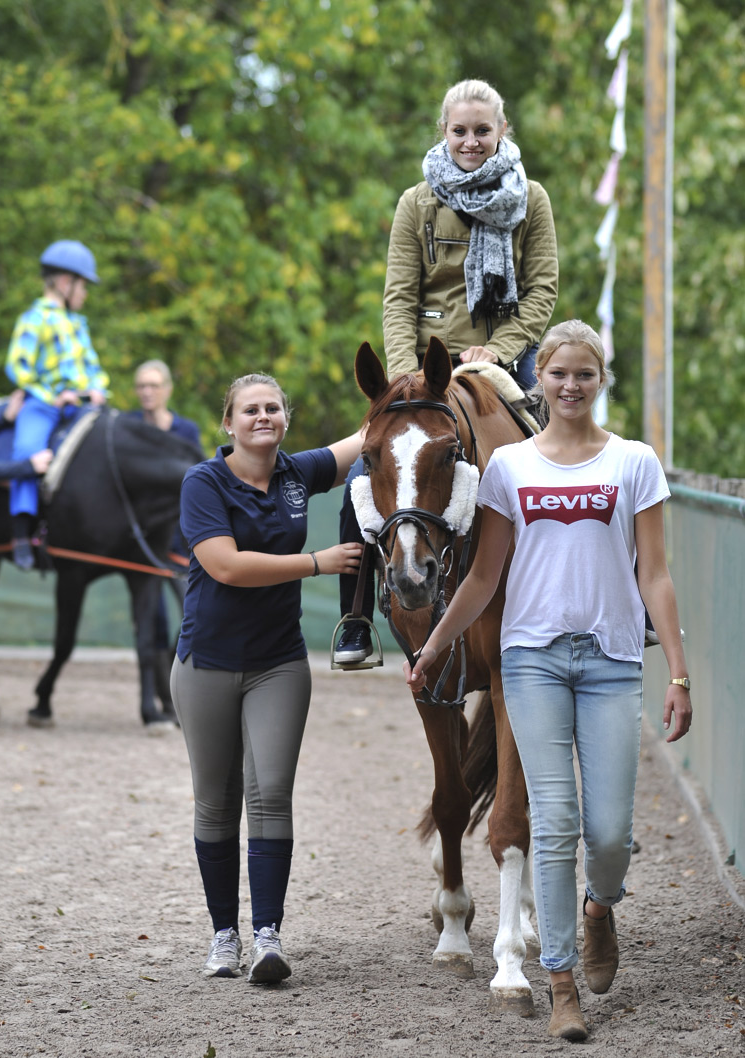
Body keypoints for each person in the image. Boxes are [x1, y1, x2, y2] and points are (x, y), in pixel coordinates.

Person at [404, 320, 692, 1042]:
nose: (569, 385)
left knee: (610, 832)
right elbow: (481, 574)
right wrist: (437, 643)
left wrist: (680, 673)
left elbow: (653, 573)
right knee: (555, 824)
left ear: (599, 381)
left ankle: (599, 909)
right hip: (531, 658)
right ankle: (560, 981)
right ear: (542, 380)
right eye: (557, 374)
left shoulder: (634, 463)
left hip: (610, 660)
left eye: (583, 374)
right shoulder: (509, 469)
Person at [333, 77, 559, 665]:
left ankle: (591, 602)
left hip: (503, 358)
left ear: (502, 131)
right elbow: (398, 299)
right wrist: (408, 381)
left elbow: (542, 291)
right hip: (425, 371)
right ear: (444, 131)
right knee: (366, 479)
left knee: (562, 466)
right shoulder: (415, 203)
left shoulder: (531, 198)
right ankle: (355, 618)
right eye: (460, 130)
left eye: (483, 130)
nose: (471, 141)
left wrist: (499, 349)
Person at [170, 373, 364, 983]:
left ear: (287, 416)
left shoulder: (297, 475)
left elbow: (367, 437)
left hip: (279, 663)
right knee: (217, 800)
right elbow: (224, 566)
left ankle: (267, 938)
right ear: (228, 422)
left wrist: (416, 391)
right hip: (205, 663)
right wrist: (316, 563)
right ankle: (223, 935)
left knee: (271, 792)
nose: (263, 417)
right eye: (250, 409)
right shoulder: (203, 482)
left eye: (273, 407)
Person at [4, 240, 109, 570]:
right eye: (84, 286)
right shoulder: (34, 318)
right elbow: (17, 367)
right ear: (66, 282)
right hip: (43, 404)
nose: (85, 294)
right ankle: (21, 532)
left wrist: (97, 388)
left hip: (80, 405)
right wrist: (52, 395)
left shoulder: (77, 324)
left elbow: (93, 366)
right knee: (28, 449)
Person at [129, 359, 203, 700]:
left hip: (179, 542)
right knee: (151, 621)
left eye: (153, 385)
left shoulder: (185, 431)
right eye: (141, 385)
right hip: (141, 544)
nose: (147, 392)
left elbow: (197, 484)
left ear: (167, 390)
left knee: (194, 613)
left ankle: (176, 690)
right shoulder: (127, 428)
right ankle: (159, 697)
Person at [0, 391, 53, 480]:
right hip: (19, 466)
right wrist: (28, 467)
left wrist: (5, 416)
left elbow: (7, 414)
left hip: (27, 411)